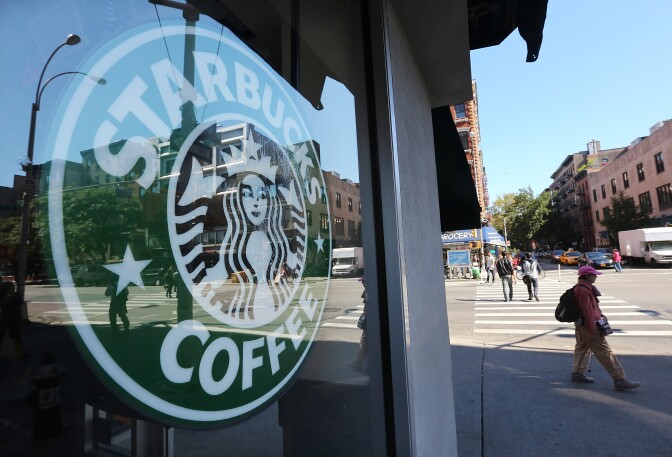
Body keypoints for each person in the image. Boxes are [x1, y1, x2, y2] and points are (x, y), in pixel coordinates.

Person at [570, 265, 640, 391]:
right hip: (589, 325)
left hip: (583, 324)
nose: (596, 276)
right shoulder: (584, 290)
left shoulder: (584, 287)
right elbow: (587, 311)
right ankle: (620, 379)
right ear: (587, 276)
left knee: (582, 348)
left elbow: (591, 308)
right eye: (594, 274)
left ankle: (578, 373)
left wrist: (600, 315)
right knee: (605, 352)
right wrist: (592, 329)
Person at [0, 281, 27, 358]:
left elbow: (20, 303)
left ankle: (20, 353)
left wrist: (12, 298)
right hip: (4, 319)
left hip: (14, 319)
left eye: (13, 286)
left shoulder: (15, 295)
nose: (12, 288)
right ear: (5, 288)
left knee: (16, 337)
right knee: (1, 335)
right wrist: (6, 300)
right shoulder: (2, 296)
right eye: (10, 287)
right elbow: (3, 306)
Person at [347, 276, 368, 371]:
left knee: (364, 342)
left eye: (363, 281)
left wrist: (364, 317)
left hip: (369, 322)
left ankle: (357, 363)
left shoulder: (369, 291)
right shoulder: (369, 290)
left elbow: (367, 308)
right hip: (370, 321)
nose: (362, 283)